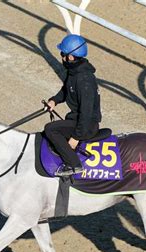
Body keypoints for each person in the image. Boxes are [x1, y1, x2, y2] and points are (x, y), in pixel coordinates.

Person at [44, 34, 102, 177]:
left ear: (70, 57)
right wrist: (54, 101)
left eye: (62, 54)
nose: (61, 57)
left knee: (51, 129)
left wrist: (76, 137)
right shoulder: (74, 72)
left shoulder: (84, 79)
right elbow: (66, 90)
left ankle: (74, 165)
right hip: (77, 120)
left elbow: (86, 113)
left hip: (87, 125)